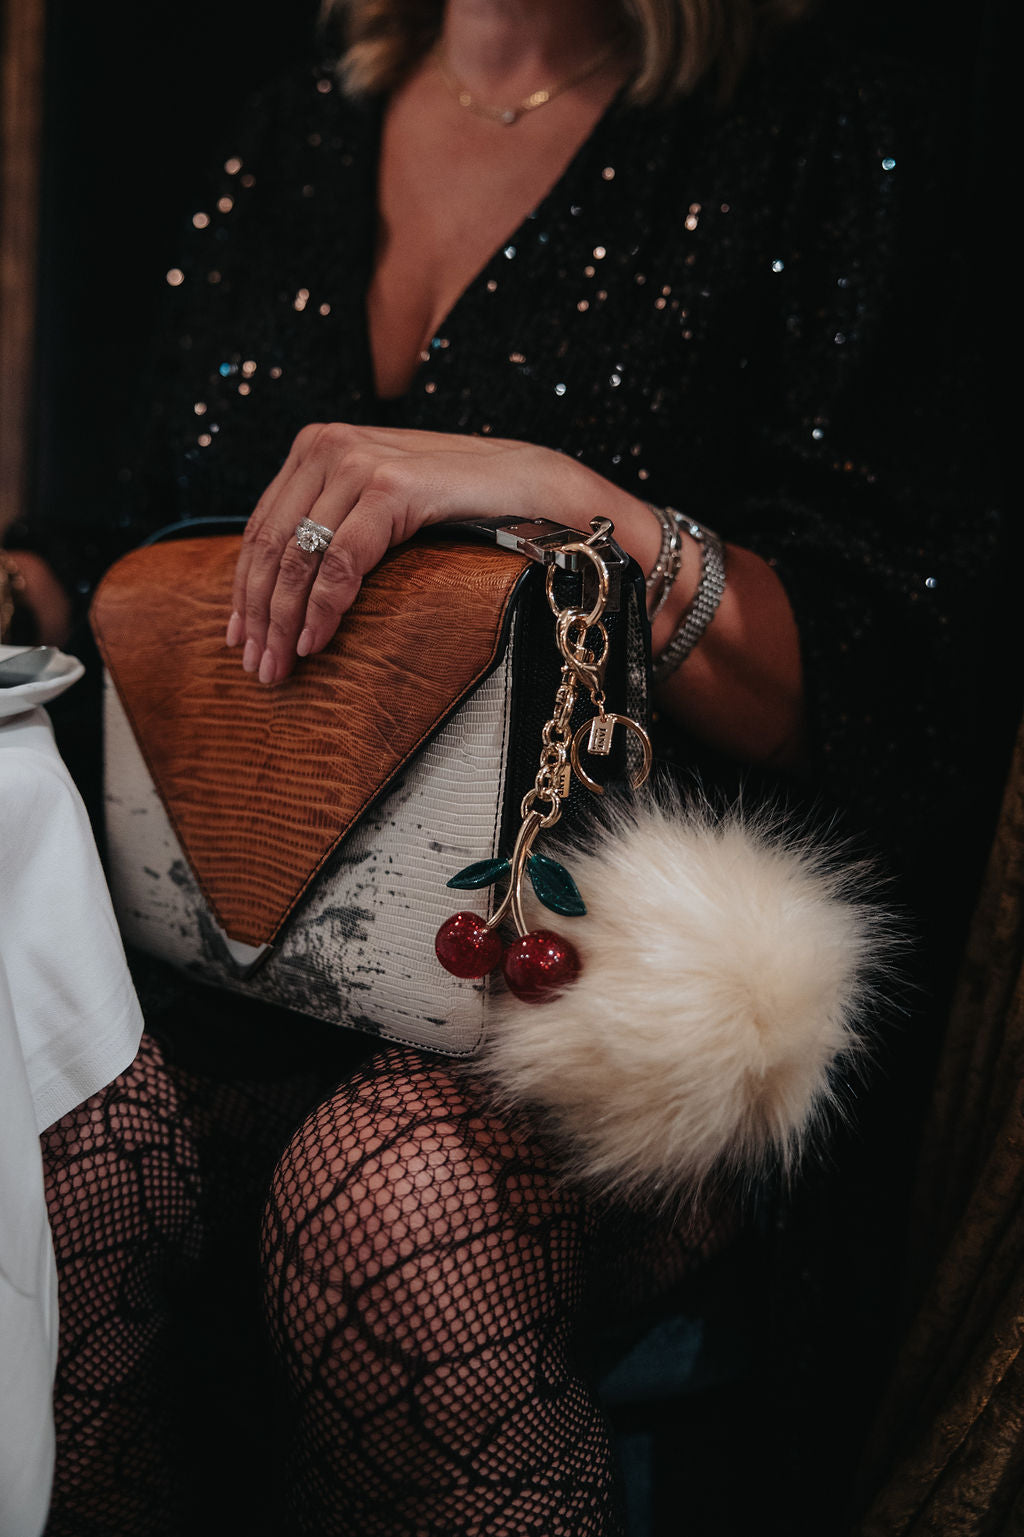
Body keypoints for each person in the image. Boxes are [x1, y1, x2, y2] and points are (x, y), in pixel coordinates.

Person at [38, 1, 1007, 1534]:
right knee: (57, 1148)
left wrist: (569, 497)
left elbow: (890, 697)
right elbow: (157, 544)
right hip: (254, 933)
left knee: (390, 1202)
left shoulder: (819, 126)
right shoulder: (299, 124)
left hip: (594, 966)